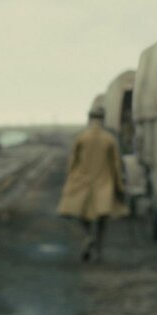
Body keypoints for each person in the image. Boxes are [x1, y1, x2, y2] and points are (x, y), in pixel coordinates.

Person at [57, 105, 126, 262]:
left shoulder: (81, 138)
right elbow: (116, 165)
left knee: (82, 215)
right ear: (103, 119)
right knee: (102, 219)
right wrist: (119, 187)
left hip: (83, 182)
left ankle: (89, 236)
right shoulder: (109, 139)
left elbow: (72, 163)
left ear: (89, 118)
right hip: (104, 183)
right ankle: (99, 252)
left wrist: (70, 181)